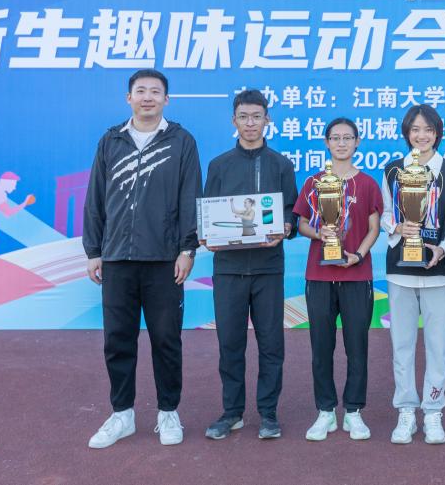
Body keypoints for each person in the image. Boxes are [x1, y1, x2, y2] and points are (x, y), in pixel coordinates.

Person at [83, 69, 202, 449]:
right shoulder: (111, 141)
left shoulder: (181, 141)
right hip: (117, 258)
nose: (147, 97)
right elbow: (95, 198)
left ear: (167, 99)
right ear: (129, 98)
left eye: (155, 91)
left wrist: (187, 249)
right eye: (140, 91)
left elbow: (190, 198)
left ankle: (168, 412)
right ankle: (122, 414)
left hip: (164, 260)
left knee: (166, 339)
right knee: (117, 339)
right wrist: (94, 251)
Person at [202, 89, 298, 441]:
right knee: (230, 343)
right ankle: (232, 413)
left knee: (271, 344)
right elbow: (208, 213)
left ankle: (268, 413)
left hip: (268, 268)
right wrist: (206, 234)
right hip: (228, 268)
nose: (250, 123)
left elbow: (291, 213)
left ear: (267, 120)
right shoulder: (219, 165)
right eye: (243, 117)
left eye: (257, 116)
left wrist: (286, 227)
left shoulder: (281, 165)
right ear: (234, 121)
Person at [293, 118, 382, 442]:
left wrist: (357, 255)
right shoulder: (314, 182)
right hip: (319, 275)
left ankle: (354, 411)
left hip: (357, 275)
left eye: (347, 138)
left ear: (357, 142)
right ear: (326, 143)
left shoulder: (368, 184)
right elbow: (301, 224)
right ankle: (326, 411)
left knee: (357, 346)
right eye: (335, 138)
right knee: (321, 346)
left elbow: (374, 228)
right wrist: (320, 234)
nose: (341, 143)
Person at [380, 104, 445, 445]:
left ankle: (433, 411)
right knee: (401, 344)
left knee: (437, 345)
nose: (421, 135)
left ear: (437, 133)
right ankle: (405, 411)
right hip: (400, 270)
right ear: (407, 133)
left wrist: (443, 249)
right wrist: (397, 227)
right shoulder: (392, 170)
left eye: (428, 129)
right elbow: (385, 212)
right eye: (415, 129)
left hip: (438, 271)